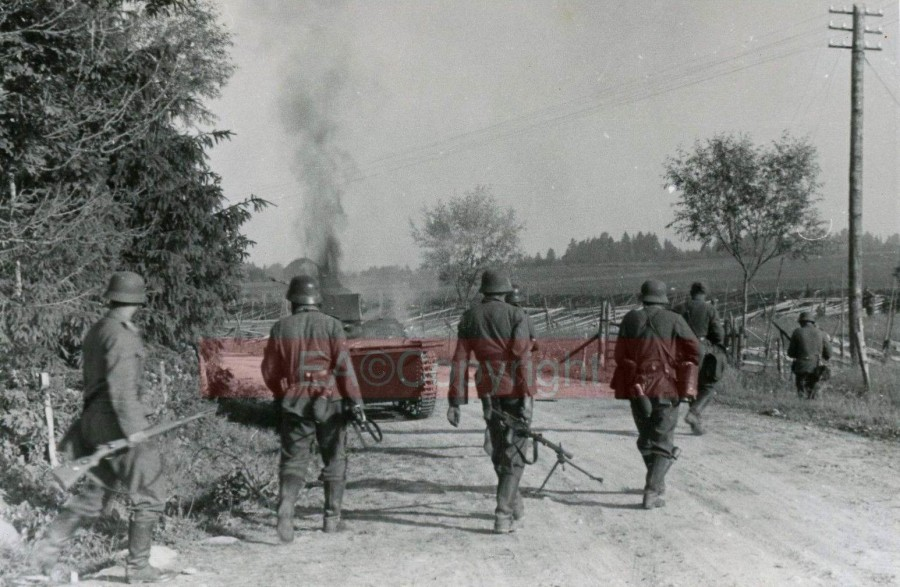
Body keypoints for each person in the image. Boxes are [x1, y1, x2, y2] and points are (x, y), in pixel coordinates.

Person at [35, 272, 174, 584]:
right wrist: (135, 428)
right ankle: (139, 568)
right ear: (139, 300)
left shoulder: (99, 328)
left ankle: (45, 551)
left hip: (94, 420)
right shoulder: (123, 335)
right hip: (118, 422)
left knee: (96, 496)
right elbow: (122, 388)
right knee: (150, 489)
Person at [261, 275, 366, 542]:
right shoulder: (332, 326)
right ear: (317, 299)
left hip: (295, 400)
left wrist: (281, 392)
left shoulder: (280, 328)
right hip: (329, 401)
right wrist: (357, 403)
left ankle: (285, 513)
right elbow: (344, 368)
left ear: (293, 301)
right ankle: (331, 520)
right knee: (334, 457)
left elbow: (270, 371)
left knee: (294, 459)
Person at [448, 269, 534, 533]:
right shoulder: (516, 315)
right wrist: (528, 396)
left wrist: (454, 401)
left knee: (498, 448)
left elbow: (460, 359)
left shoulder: (470, 316)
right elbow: (523, 358)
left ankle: (512, 499)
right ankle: (503, 513)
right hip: (513, 387)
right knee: (515, 451)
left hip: (486, 388)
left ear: (484, 291)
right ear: (505, 291)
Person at [611, 279, 699, 509]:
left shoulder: (630, 318)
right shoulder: (674, 319)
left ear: (643, 297)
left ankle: (656, 483)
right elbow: (695, 350)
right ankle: (652, 491)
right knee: (662, 440)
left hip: (636, 387)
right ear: (662, 298)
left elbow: (619, 354)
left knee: (646, 439)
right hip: (666, 386)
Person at [680, 282, 725, 435]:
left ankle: (695, 423)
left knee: (691, 386)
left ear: (691, 292)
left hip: (678, 349)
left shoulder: (680, 307)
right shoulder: (710, 309)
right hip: (699, 348)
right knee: (708, 386)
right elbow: (719, 335)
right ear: (705, 294)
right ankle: (694, 413)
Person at [787, 311, 831, 399]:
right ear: (812, 322)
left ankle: (803, 408)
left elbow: (790, 353)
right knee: (814, 393)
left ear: (801, 322)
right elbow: (829, 354)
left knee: (802, 392)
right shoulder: (821, 333)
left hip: (801, 367)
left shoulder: (797, 332)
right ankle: (812, 408)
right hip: (816, 367)